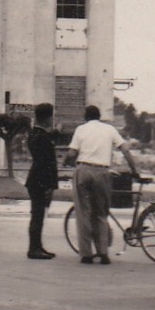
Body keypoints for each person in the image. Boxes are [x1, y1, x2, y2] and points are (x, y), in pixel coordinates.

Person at [66, 104, 127, 265]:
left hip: (84, 170)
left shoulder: (81, 129)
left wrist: (67, 162)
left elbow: (72, 153)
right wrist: (135, 169)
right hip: (103, 172)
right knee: (101, 213)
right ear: (99, 116)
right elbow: (125, 149)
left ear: (86, 117)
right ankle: (103, 253)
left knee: (84, 212)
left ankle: (86, 254)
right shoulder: (110, 129)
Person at [24, 104, 60, 260]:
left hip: (35, 180)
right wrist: (50, 185)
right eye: (52, 116)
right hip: (40, 181)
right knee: (38, 215)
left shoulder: (35, 134)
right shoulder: (42, 137)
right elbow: (47, 163)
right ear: (48, 118)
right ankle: (34, 249)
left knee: (38, 215)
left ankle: (37, 246)